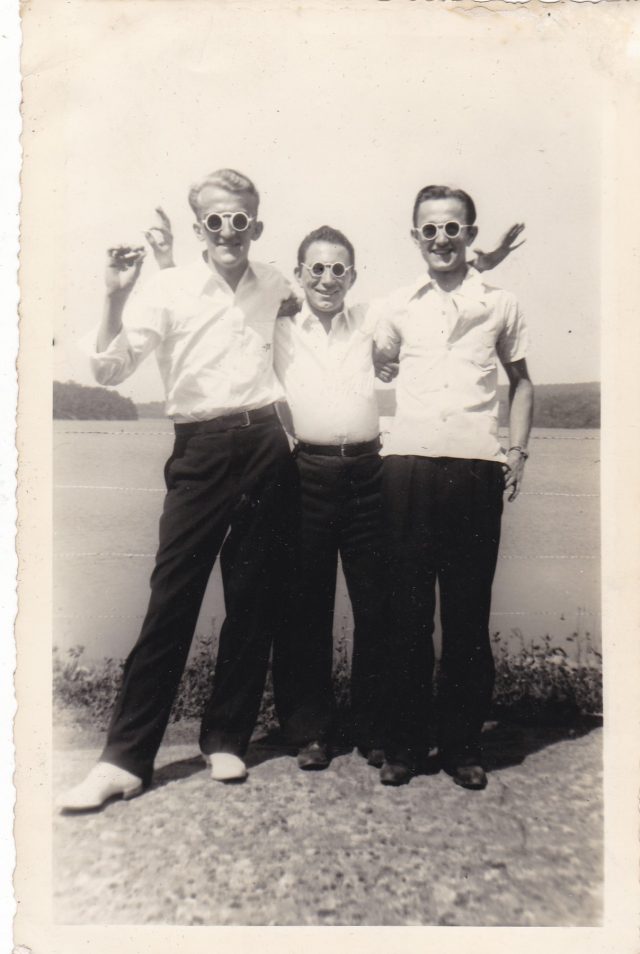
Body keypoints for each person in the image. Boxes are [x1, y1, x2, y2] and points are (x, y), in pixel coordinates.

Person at [144, 210, 526, 784]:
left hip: (372, 473)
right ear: (299, 274)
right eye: (317, 269)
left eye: (339, 269)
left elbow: (442, 284)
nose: (327, 279)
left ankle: (375, 728)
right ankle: (311, 731)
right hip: (305, 473)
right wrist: (167, 262)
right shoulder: (276, 324)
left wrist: (483, 260)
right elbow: (211, 312)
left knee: (380, 606)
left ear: (353, 275)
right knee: (304, 604)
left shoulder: (374, 318)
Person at [58, 168, 298, 811]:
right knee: (172, 599)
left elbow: (318, 317)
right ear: (199, 229)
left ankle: (227, 738)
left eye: (239, 220)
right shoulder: (167, 289)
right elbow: (110, 369)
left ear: (256, 225)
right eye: (215, 220)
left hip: (266, 445)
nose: (228, 231)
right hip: (200, 449)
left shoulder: (276, 283)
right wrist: (114, 297)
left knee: (252, 598)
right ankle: (123, 760)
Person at [374, 184, 534, 789]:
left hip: (474, 468)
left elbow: (522, 382)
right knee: (406, 614)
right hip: (407, 467)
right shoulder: (395, 306)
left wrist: (517, 451)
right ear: (415, 237)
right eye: (429, 229)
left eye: (451, 228)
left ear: (469, 233)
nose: (440, 239)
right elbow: (377, 361)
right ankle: (404, 744)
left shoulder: (500, 303)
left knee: (467, 614)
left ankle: (464, 745)